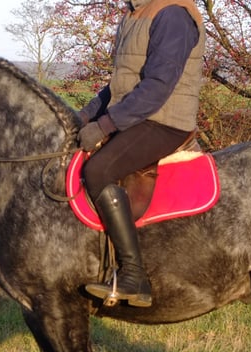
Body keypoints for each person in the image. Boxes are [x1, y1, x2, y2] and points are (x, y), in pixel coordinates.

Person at [77, 0, 206, 307]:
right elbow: (120, 86)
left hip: (164, 120)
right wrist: (81, 118)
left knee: (98, 170)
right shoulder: (136, 13)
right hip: (138, 115)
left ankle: (135, 276)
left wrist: (106, 125)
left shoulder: (172, 13)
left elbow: (158, 87)